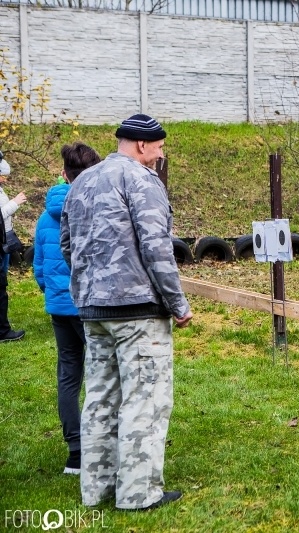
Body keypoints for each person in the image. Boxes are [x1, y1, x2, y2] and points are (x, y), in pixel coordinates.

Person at [60, 114, 193, 511]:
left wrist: (91, 286)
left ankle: (95, 489)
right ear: (140, 145)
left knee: (99, 397)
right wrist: (178, 304)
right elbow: (157, 248)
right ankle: (138, 494)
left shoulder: (80, 181)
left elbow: (68, 245)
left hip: (92, 309)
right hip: (138, 312)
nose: (161, 153)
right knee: (145, 400)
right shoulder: (141, 181)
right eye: (159, 146)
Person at [34, 142, 101, 475]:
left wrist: (52, 294)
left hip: (59, 307)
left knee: (68, 377)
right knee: (101, 374)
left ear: (64, 174)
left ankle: (74, 452)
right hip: (89, 306)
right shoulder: (95, 210)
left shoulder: (45, 216)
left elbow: (39, 268)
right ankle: (99, 445)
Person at [0, 150, 27, 343]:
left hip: (4, 242)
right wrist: (15, 203)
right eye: (2, 176)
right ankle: (3, 331)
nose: (5, 180)